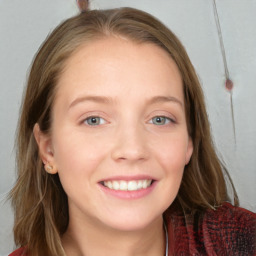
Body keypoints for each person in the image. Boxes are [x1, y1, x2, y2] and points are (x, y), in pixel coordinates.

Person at [8, 3, 256, 256]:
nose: (133, 149)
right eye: (94, 120)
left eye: (159, 119)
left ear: (189, 142)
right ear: (48, 149)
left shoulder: (243, 242)